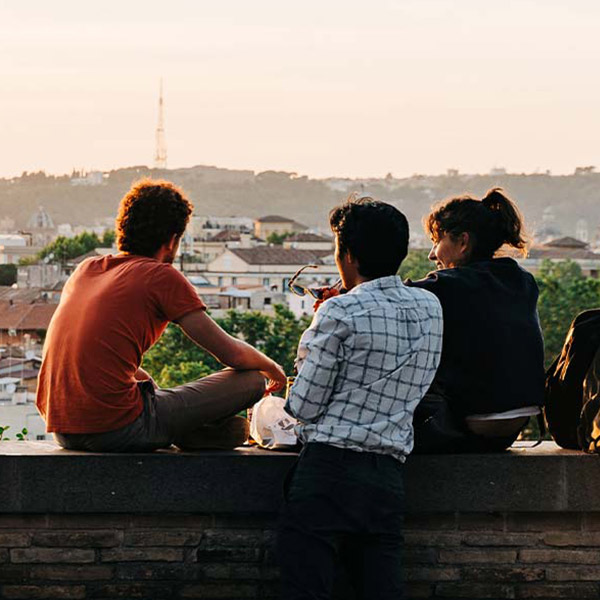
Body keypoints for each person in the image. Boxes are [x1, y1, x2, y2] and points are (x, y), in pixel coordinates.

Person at [36, 179, 286, 452]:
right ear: (172, 240)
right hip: (117, 429)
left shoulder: (87, 270)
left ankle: (183, 429)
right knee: (251, 380)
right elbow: (232, 354)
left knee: (146, 383)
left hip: (62, 429)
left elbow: (101, 361)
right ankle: (184, 429)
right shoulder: (160, 276)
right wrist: (273, 370)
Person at [278, 196, 443, 600]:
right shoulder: (431, 307)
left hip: (328, 469)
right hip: (387, 474)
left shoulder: (339, 313)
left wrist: (310, 342)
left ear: (347, 255)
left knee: (307, 585)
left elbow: (303, 405)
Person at [408, 187, 545, 453]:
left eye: (437, 241)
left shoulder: (447, 285)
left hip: (468, 423)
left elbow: (387, 297)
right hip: (514, 425)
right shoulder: (523, 280)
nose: (432, 254)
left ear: (462, 243)